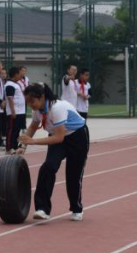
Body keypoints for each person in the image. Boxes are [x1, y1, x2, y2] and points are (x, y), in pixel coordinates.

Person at [18, 83, 89, 222]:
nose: (30, 105)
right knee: (48, 167)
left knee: (73, 175)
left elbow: (59, 138)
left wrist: (33, 142)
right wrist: (23, 146)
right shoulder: (37, 110)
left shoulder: (57, 108)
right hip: (57, 137)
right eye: (28, 102)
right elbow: (33, 126)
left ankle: (76, 208)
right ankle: (42, 209)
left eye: (32, 101)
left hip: (77, 137)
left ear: (42, 97)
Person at [5, 65, 28, 153]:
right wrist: (13, 111)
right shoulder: (10, 85)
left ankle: (14, 146)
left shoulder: (16, 84)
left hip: (20, 111)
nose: (20, 76)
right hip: (14, 112)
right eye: (19, 74)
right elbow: (10, 98)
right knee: (11, 130)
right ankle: (9, 147)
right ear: (15, 74)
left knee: (17, 130)